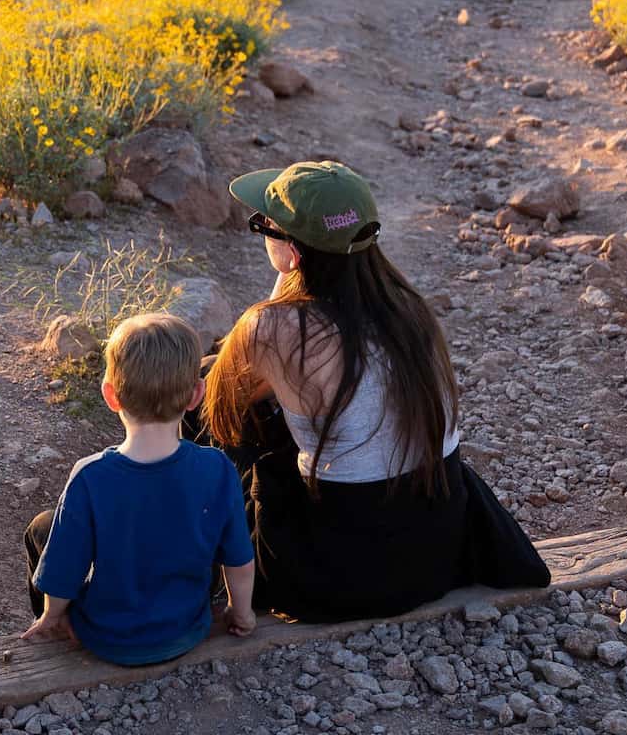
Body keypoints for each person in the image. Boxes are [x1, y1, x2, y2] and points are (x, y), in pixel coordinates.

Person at [198, 160, 550, 622]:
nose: (262, 232)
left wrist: (277, 296)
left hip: (339, 577)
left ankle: (189, 574)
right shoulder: (407, 307)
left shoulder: (272, 327)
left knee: (206, 411)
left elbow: (219, 401)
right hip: (436, 554)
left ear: (292, 252)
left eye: (264, 226)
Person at [22, 313, 256, 664]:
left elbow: (62, 571)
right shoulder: (217, 467)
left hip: (108, 638)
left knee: (42, 527)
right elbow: (239, 560)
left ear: (110, 395)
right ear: (196, 395)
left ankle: (55, 630)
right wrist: (242, 613)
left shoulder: (90, 477)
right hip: (185, 629)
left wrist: (52, 614)